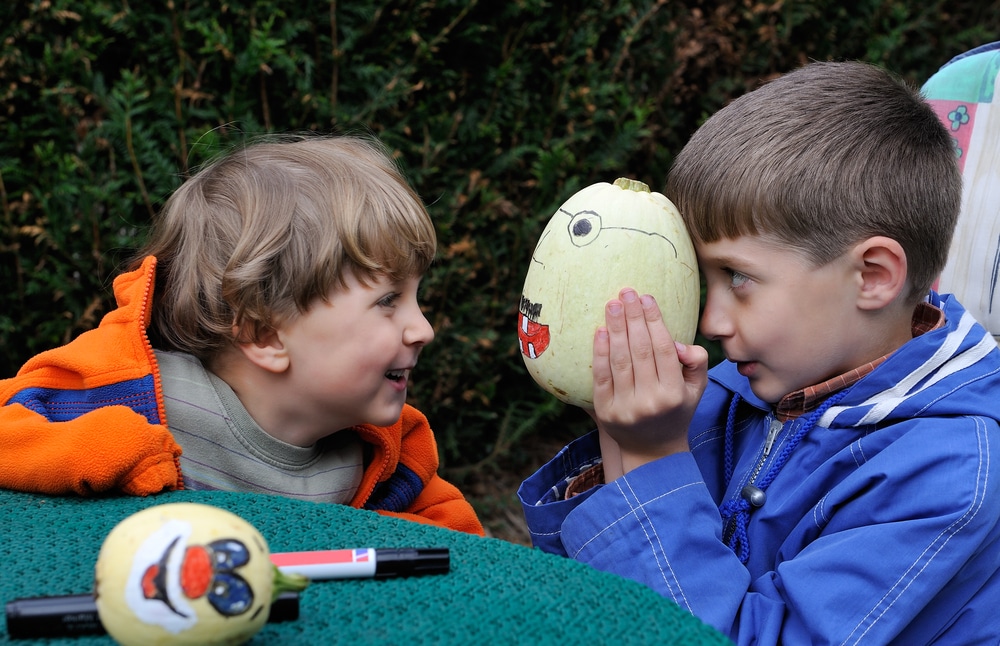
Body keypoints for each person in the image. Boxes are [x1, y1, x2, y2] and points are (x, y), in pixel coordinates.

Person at [518, 61, 1000, 643]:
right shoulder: (740, 389)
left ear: (872, 275)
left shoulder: (949, 475)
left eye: (738, 278)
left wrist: (650, 463)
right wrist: (620, 432)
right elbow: (601, 598)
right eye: (703, 279)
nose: (710, 321)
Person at [0, 134, 483, 535]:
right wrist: (101, 449)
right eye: (387, 301)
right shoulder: (126, 392)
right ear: (266, 334)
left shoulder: (390, 454)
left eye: (415, 297)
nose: (424, 329)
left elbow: (467, 557)